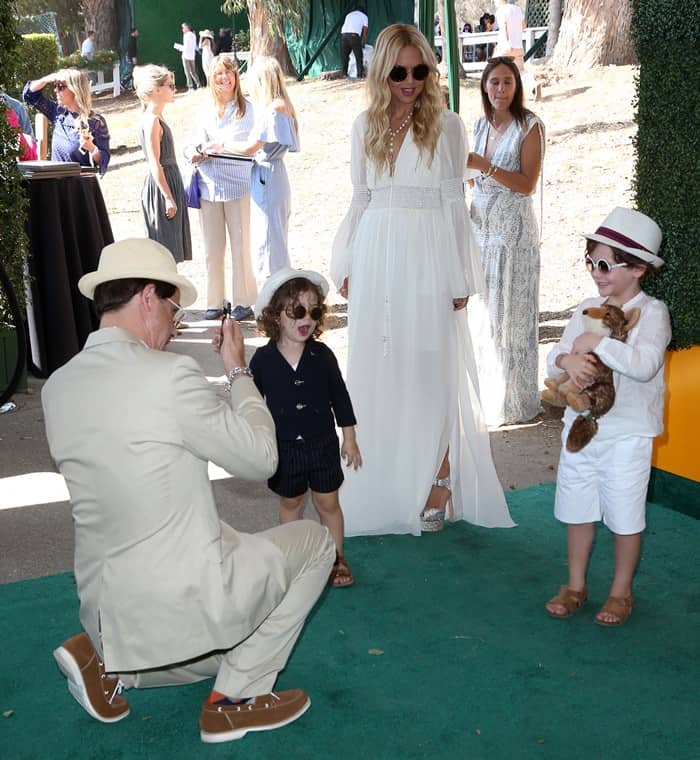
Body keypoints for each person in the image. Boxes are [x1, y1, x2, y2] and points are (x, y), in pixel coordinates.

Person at [42, 238, 336, 742]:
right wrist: (239, 371)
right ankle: (236, 698)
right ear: (149, 298)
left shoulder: (57, 387)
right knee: (315, 543)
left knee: (221, 640)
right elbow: (262, 457)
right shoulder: (172, 374)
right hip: (183, 591)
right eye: (174, 308)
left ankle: (110, 664)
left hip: (106, 604)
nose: (176, 323)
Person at [330, 23, 514, 536]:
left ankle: (439, 477)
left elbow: (455, 203)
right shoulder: (362, 124)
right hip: (375, 256)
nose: (410, 81)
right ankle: (385, 480)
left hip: (429, 254)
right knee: (379, 364)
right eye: (399, 71)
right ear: (381, 71)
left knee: (432, 365)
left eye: (419, 71)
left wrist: (459, 274)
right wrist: (346, 260)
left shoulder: (449, 126)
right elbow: (360, 198)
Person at [543, 208, 671, 627]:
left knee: (625, 514)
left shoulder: (652, 313)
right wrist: (567, 357)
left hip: (628, 434)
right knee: (578, 507)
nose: (596, 274)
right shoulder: (587, 307)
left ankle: (621, 592)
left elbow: (645, 364)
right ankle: (575, 585)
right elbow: (554, 358)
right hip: (581, 430)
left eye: (605, 265)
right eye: (591, 262)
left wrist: (597, 343)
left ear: (637, 269)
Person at [250, 268, 362, 587]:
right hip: (284, 447)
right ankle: (294, 558)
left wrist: (349, 438)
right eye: (297, 310)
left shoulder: (322, 356)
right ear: (275, 316)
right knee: (291, 503)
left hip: (323, 444)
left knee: (328, 503)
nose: (307, 318)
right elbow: (252, 404)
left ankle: (337, 558)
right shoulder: (263, 359)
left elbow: (340, 398)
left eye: (313, 311)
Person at [466, 56, 544, 426]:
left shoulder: (530, 126)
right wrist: (472, 178)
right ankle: (485, 394)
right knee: (483, 316)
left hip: (513, 235)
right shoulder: (480, 125)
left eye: (507, 83)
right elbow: (470, 175)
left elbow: (528, 184)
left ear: (517, 87)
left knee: (510, 318)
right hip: (482, 231)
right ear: (484, 86)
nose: (500, 89)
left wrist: (487, 168)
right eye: (494, 82)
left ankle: (514, 402)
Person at [184, 55, 257, 321]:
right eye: (218, 74)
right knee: (212, 249)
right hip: (208, 186)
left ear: (236, 77)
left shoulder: (248, 109)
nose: (224, 78)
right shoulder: (205, 111)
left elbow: (251, 145)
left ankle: (243, 300)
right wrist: (197, 151)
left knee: (240, 245)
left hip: (238, 185)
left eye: (228, 73)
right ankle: (214, 300)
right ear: (211, 79)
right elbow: (189, 146)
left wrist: (222, 146)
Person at [224, 56, 299, 284]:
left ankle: (276, 291)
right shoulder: (282, 106)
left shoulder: (273, 109)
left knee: (269, 240)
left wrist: (223, 144)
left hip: (267, 175)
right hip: (274, 175)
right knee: (275, 235)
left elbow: (249, 148)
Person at [134, 64, 192, 262]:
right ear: (156, 89)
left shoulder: (156, 117)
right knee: (165, 252)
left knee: (171, 250)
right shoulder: (151, 120)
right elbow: (154, 162)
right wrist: (167, 196)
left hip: (169, 181)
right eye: (170, 85)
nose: (174, 89)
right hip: (162, 186)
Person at [23, 68, 110, 173]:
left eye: (60, 86)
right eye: (55, 86)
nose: (55, 90)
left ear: (75, 90)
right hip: (56, 184)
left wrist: (91, 148)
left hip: (80, 185)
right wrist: (47, 79)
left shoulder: (95, 122)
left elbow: (103, 161)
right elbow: (29, 95)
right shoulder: (58, 113)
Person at [494, 0, 526, 71]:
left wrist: (507, 42)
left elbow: (503, 27)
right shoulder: (517, 9)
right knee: (521, 73)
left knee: (493, 69)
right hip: (518, 47)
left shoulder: (500, 11)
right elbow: (523, 26)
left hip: (505, 47)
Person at [340, 6, 369, 78]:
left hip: (344, 35)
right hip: (354, 35)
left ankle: (344, 74)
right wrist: (363, 44)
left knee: (345, 55)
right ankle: (359, 74)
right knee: (358, 56)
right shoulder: (364, 16)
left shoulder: (349, 14)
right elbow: (364, 32)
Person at [180, 22, 201, 90]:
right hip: (192, 56)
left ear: (186, 28)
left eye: (183, 27)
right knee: (193, 71)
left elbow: (186, 47)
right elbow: (195, 46)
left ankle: (190, 86)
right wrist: (198, 51)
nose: (182, 29)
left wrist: (179, 48)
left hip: (186, 55)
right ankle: (198, 84)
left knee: (187, 72)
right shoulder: (193, 35)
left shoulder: (186, 35)